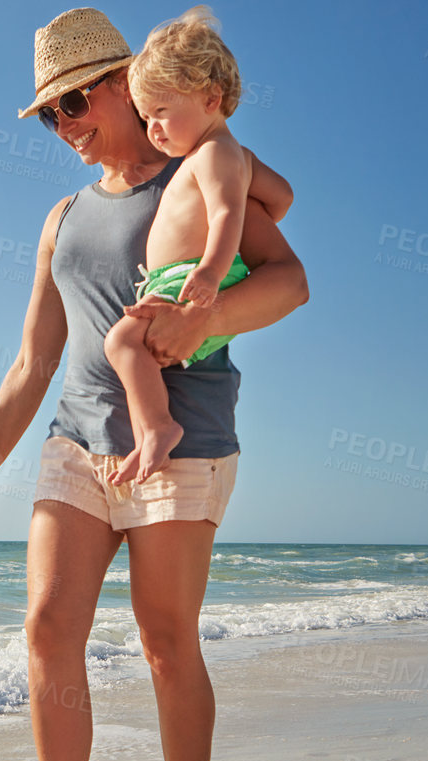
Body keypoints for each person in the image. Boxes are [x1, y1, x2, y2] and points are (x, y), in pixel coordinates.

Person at [0, 8, 308, 761]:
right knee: (45, 630)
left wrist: (205, 318)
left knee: (165, 641)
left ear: (123, 83)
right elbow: (34, 359)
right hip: (76, 442)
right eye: (51, 115)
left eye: (75, 102)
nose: (65, 126)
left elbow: (290, 279)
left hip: (183, 449)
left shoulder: (201, 172)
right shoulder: (62, 218)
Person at [103, 6, 291, 485]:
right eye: (145, 118)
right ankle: (151, 432)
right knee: (131, 341)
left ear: (211, 97)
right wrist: (255, 187)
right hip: (180, 278)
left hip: (194, 277)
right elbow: (283, 195)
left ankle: (158, 429)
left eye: (162, 112)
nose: (154, 129)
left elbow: (228, 212)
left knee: (122, 340)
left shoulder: (215, 154)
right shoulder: (230, 155)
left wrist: (209, 271)